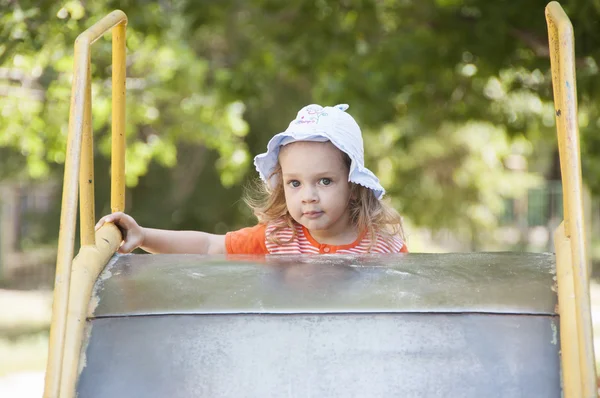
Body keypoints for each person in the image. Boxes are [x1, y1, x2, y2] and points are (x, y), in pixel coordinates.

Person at [95, 103, 408, 255]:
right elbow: (207, 246)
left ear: (353, 186)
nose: (308, 196)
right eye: (294, 183)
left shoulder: (381, 249)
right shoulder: (279, 239)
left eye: (324, 181)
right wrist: (143, 236)